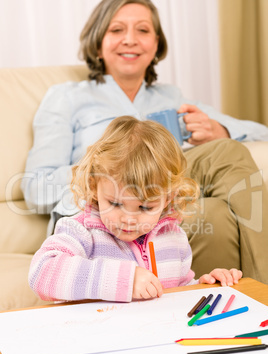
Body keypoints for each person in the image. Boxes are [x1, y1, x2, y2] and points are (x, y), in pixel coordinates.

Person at [21, 0, 268, 283]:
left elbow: (260, 131)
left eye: (142, 30)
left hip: (161, 204)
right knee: (213, 213)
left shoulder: (171, 98)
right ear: (98, 40)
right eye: (116, 30)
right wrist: (110, 169)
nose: (130, 40)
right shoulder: (66, 97)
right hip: (100, 207)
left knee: (225, 155)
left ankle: (257, 294)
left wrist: (217, 129)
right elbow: (34, 186)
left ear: (156, 44)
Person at [28, 116, 243, 302]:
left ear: (167, 199)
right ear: (94, 187)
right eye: (115, 203)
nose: (128, 219)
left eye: (144, 207)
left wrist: (203, 286)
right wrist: (123, 280)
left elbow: (175, 293)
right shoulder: (81, 231)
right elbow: (41, 273)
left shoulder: (174, 238)